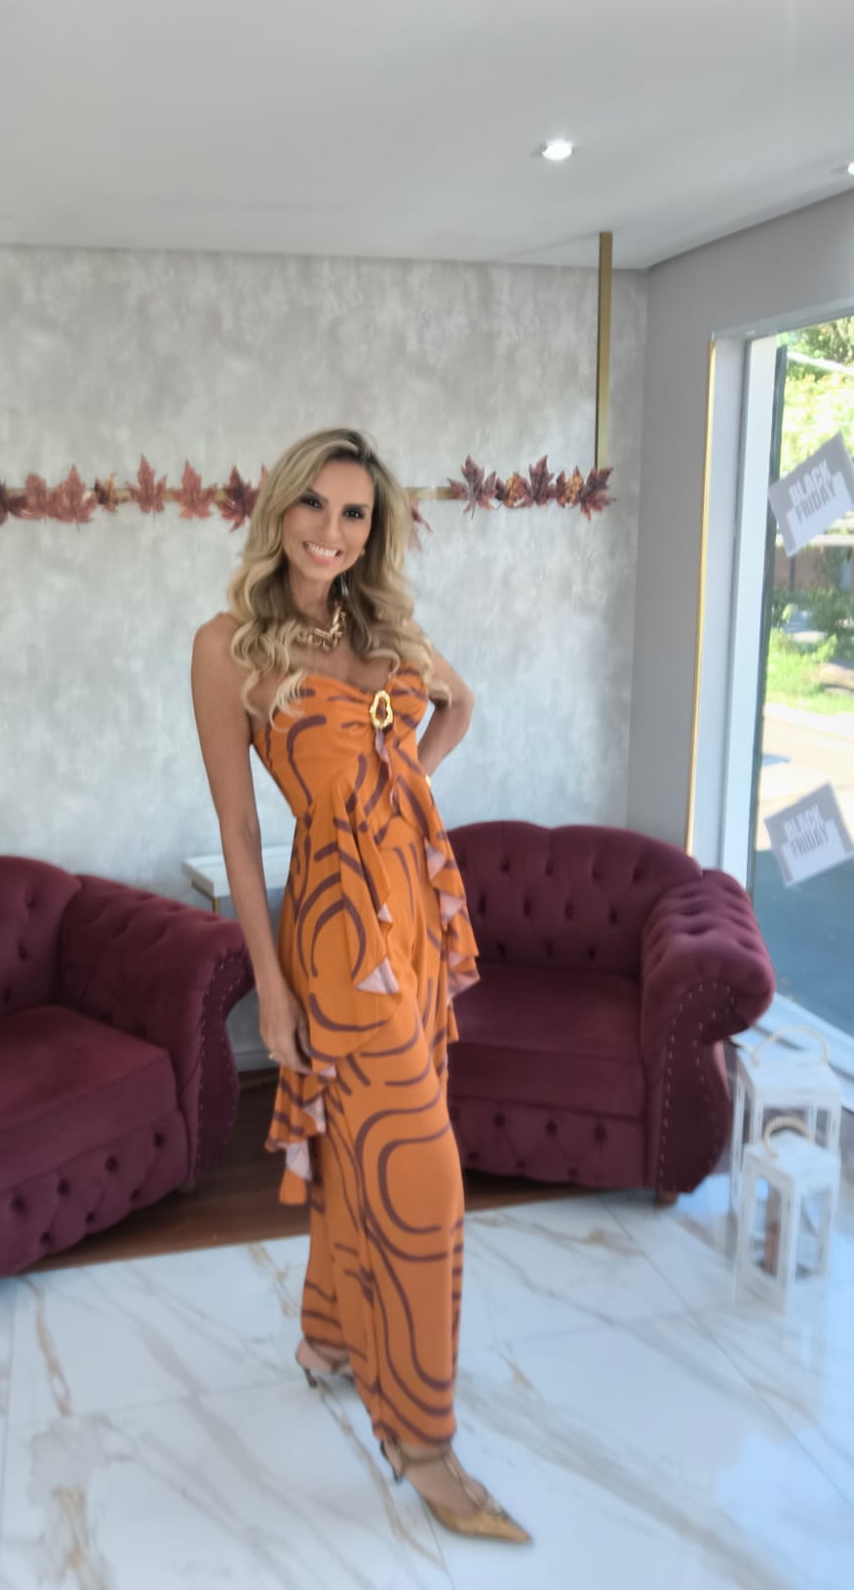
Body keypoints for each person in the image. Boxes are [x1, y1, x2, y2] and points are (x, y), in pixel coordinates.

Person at [191, 428, 529, 1544]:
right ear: (279, 509)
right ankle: (422, 1440)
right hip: (335, 936)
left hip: (418, 918)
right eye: (314, 506)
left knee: (360, 1140)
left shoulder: (386, 629)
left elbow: (459, 707)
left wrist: (396, 793)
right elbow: (238, 837)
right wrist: (271, 988)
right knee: (422, 1176)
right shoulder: (228, 648)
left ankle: (329, 1336)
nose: (330, 532)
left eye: (354, 514)